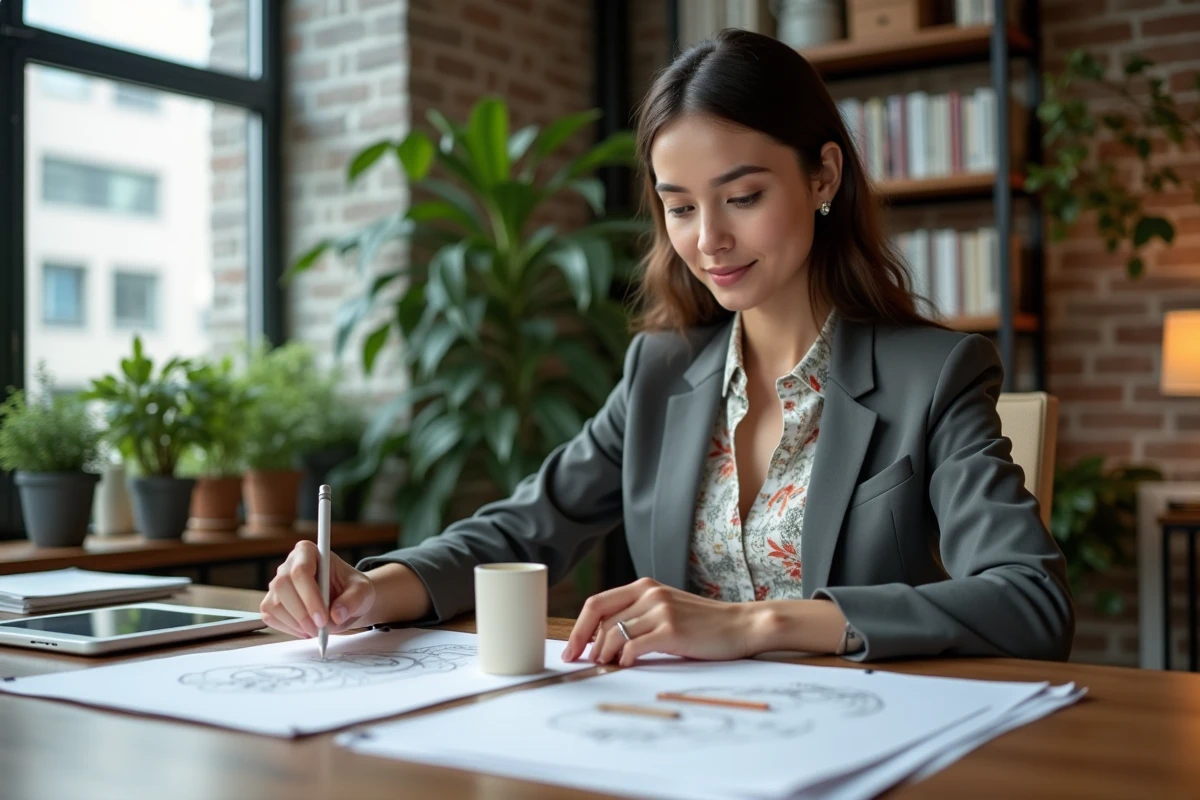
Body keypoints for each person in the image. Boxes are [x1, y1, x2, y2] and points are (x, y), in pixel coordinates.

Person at [260, 28, 1075, 664]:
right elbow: (521, 529)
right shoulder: (662, 372)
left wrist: (755, 625)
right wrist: (369, 590)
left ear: (824, 176)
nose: (710, 239)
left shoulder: (932, 375)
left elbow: (1029, 599)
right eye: (680, 207)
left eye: (744, 196)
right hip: (682, 740)